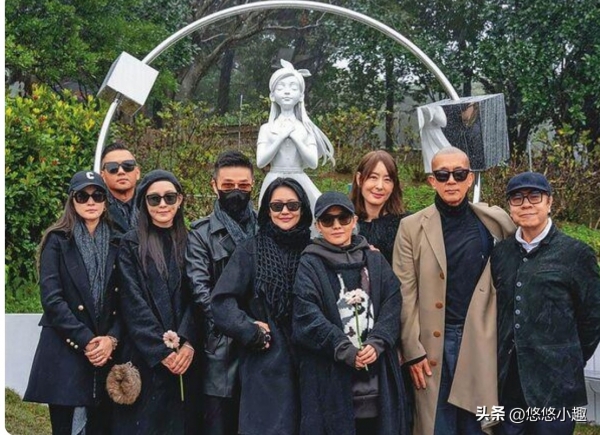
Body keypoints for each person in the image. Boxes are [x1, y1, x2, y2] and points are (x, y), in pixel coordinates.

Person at [393, 147, 515, 435]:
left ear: (469, 178)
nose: (451, 181)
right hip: (432, 344)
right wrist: (412, 350)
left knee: (476, 423)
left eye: (459, 174)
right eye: (442, 175)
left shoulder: (494, 221)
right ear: (431, 181)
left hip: (481, 338)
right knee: (437, 424)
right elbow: (405, 293)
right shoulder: (411, 227)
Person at [492, 172, 600, 435]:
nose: (526, 204)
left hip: (556, 383)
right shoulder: (501, 253)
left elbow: (593, 317)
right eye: (517, 198)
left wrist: (567, 356)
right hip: (510, 381)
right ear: (510, 207)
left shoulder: (576, 254)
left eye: (534, 196)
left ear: (549, 202)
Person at [292, 191, 408, 435]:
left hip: (378, 377)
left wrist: (378, 341)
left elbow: (392, 302)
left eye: (343, 218)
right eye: (328, 220)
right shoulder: (310, 263)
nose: (337, 225)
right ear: (317, 226)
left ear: (354, 221)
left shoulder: (374, 259)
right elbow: (306, 314)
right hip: (330, 380)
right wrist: (343, 348)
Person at [211, 177, 312, 435]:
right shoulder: (251, 250)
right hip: (266, 364)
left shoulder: (315, 251)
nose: (285, 211)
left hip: (310, 365)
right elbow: (222, 302)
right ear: (267, 210)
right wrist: (249, 329)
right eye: (277, 206)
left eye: (292, 205)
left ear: (303, 209)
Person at [24, 171, 121, 435]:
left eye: (97, 195)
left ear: (105, 202)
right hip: (65, 350)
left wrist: (111, 339)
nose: (90, 202)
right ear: (72, 200)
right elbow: (52, 299)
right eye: (82, 196)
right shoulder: (56, 240)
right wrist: (87, 340)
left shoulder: (119, 241)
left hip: (106, 352)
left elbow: (125, 300)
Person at [113, 170, 199, 435]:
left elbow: (199, 296)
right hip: (143, 355)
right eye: (154, 199)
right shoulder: (130, 244)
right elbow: (131, 301)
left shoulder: (193, 241)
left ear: (179, 200)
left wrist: (188, 342)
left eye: (169, 197)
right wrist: (161, 351)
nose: (163, 204)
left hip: (187, 358)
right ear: (144, 203)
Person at [185, 150, 258, 435]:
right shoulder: (200, 234)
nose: (236, 192)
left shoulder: (266, 227)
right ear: (214, 185)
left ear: (253, 185)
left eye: (243, 185)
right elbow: (201, 292)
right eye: (228, 185)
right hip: (220, 347)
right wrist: (243, 326)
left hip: (264, 345)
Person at [256, 59, 334, 211]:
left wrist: (297, 139)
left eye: (293, 88)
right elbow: (261, 162)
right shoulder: (266, 128)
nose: (287, 92)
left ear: (301, 96)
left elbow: (313, 163)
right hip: (274, 180)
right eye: (281, 88)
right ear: (272, 95)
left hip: (299, 180)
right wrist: (280, 137)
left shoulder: (306, 129)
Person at [350, 150, 409, 265]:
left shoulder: (406, 224)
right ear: (359, 179)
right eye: (373, 177)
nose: (380, 186)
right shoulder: (343, 222)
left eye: (387, 179)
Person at [100, 142, 141, 235]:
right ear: (103, 176)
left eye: (128, 165)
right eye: (113, 167)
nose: (121, 171)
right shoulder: (95, 207)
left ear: (137, 173)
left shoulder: (152, 204)